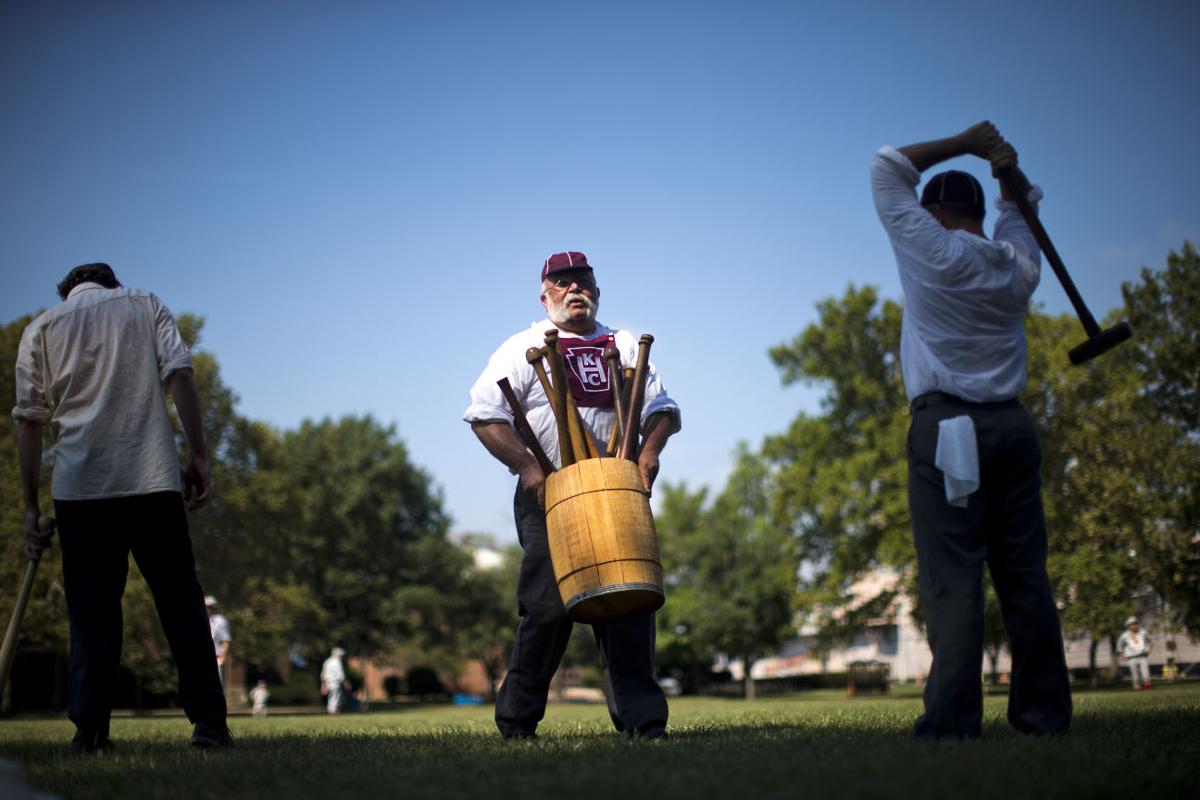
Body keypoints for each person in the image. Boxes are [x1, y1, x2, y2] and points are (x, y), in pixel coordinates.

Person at [871, 124, 1072, 738]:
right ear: (979, 213)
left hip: (949, 426)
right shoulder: (1019, 266)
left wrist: (968, 141)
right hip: (1013, 425)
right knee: (1025, 575)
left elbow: (886, 167)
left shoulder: (933, 249)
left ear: (934, 211)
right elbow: (1019, 208)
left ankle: (954, 720)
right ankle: (1043, 714)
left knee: (954, 577)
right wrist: (1007, 168)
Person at [13, 263, 231, 751]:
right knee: (180, 607)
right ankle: (210, 725)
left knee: (92, 618)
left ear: (68, 293)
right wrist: (198, 455)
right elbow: (180, 375)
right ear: (111, 283)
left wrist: (30, 508)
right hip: (151, 479)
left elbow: (29, 425)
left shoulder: (41, 329)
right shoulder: (143, 304)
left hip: (80, 490)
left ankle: (90, 732)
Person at [464, 251, 681, 740]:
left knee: (630, 603)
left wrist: (649, 451)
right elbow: (484, 415)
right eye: (561, 283)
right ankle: (516, 724)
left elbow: (662, 408)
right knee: (546, 607)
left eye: (582, 281)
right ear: (545, 296)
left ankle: (644, 725)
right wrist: (527, 467)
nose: (573, 289)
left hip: (617, 489)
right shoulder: (520, 347)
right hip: (552, 494)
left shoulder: (623, 343)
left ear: (597, 292)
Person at [1117, 616, 1152, 690]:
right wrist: (1123, 656)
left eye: (1136, 623)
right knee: (1135, 676)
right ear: (1128, 626)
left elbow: (1150, 641)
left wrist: (1149, 650)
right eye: (1132, 624)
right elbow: (1119, 647)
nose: (1134, 625)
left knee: (1146, 675)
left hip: (1142, 656)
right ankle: (1137, 688)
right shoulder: (1124, 636)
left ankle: (1147, 687)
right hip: (1131, 658)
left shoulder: (1143, 632)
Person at [205, 596, 232, 690]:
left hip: (215, 656)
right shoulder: (199, 620)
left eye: (210, 606)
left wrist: (222, 657)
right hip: (202, 656)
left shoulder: (220, 621)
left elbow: (226, 640)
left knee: (217, 685)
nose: (208, 609)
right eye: (206, 606)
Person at [321, 647, 349, 715]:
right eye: (340, 655)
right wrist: (346, 683)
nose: (341, 657)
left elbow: (323, 675)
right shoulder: (337, 662)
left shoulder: (327, 662)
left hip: (328, 683)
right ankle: (334, 711)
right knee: (336, 697)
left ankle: (331, 711)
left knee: (331, 697)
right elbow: (340, 674)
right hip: (335, 683)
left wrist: (323, 685)